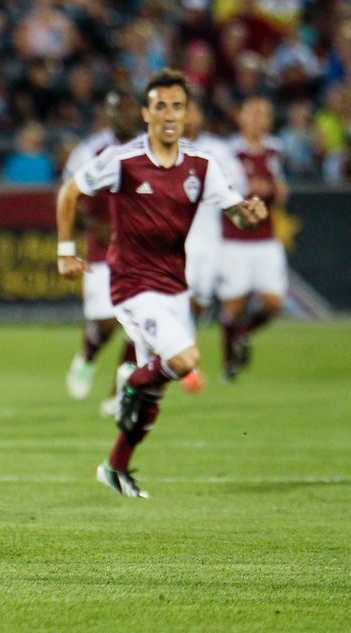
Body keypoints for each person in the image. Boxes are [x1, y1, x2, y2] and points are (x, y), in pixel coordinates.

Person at [56, 69, 267, 498]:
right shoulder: (123, 160)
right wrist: (64, 252)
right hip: (132, 285)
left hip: (174, 286)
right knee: (184, 360)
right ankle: (130, 379)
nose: (169, 115)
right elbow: (69, 193)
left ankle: (115, 467)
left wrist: (251, 213)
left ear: (187, 114)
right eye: (160, 106)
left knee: (159, 389)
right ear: (146, 113)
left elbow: (237, 214)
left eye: (177, 106)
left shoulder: (201, 167)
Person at [61, 89, 141, 416]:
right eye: (115, 109)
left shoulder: (154, 149)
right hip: (102, 252)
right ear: (107, 115)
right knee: (106, 323)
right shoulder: (90, 151)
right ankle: (87, 357)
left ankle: (118, 394)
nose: (122, 115)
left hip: (142, 252)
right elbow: (68, 196)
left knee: (141, 326)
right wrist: (93, 223)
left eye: (127, 108)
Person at [217, 95, 290, 381]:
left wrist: (273, 189)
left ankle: (243, 336)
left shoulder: (274, 149)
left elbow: (278, 189)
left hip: (266, 238)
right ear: (241, 117)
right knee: (233, 306)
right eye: (254, 113)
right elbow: (231, 191)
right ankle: (229, 366)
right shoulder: (229, 151)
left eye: (264, 114)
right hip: (235, 239)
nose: (259, 119)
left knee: (274, 302)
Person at [181, 94, 249, 392]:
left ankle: (173, 351)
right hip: (172, 235)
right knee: (172, 298)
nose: (188, 116)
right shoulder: (161, 147)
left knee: (199, 302)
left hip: (208, 236)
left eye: (192, 110)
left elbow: (238, 186)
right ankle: (182, 362)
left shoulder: (217, 149)